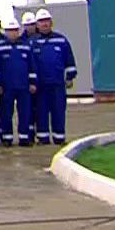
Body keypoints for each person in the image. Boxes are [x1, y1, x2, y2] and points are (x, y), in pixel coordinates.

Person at [31, 9, 78, 144]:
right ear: (37, 25)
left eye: (46, 21)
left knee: (58, 110)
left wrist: (70, 77)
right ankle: (43, 138)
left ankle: (59, 137)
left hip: (57, 84)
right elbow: (30, 64)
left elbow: (69, 60)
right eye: (41, 21)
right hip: (40, 85)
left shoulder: (61, 40)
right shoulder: (33, 43)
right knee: (41, 112)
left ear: (51, 22)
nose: (44, 24)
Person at [0, 17, 35, 147]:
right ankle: (7, 138)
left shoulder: (26, 46)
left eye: (14, 30)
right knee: (6, 113)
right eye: (9, 30)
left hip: (23, 86)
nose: (12, 33)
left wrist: (32, 82)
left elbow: (32, 66)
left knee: (25, 112)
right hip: (6, 87)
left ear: (18, 31)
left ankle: (24, 137)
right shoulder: (0, 48)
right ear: (5, 32)